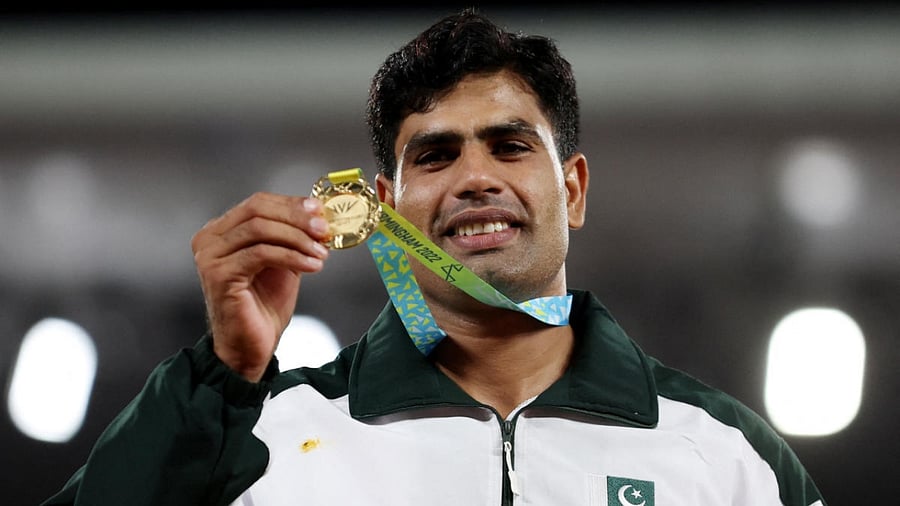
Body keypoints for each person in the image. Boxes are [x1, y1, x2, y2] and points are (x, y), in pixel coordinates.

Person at [44, 9, 826, 506]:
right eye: (436, 156)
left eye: (511, 147)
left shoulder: (725, 456)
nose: (475, 178)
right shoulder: (265, 437)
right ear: (386, 206)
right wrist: (219, 381)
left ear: (574, 190)